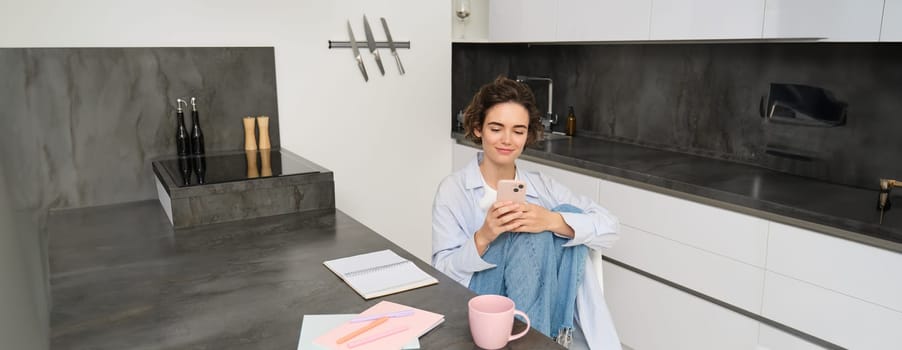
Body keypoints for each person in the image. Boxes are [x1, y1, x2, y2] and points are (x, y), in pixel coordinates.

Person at [432, 76, 622, 350]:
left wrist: (551, 220)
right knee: (524, 232)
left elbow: (611, 228)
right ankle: (546, 341)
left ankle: (541, 338)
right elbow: (440, 274)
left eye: (518, 131)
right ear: (477, 129)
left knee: (564, 214)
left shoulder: (542, 185)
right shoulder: (453, 190)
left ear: (527, 136)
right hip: (483, 308)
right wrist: (483, 237)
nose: (507, 140)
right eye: (496, 128)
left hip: (539, 311)